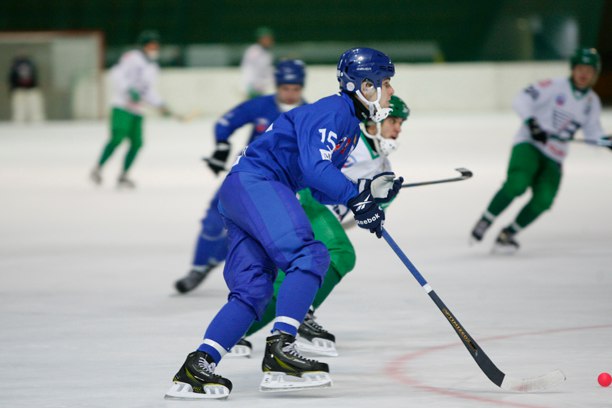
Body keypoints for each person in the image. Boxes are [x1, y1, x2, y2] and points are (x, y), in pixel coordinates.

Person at [165, 48, 402, 399]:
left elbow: (319, 189)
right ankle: (280, 352)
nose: (390, 91)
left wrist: (367, 191)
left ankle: (197, 366)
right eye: (385, 83)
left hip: (243, 189)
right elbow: (315, 170)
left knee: (254, 291)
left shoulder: (346, 126)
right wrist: (356, 196)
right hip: (258, 184)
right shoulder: (333, 112)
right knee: (310, 255)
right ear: (363, 85)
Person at [235, 95, 411, 358]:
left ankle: (235, 335)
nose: (398, 128)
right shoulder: (351, 140)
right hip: (305, 199)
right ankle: (301, 315)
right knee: (341, 252)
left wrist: (382, 198)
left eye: (401, 123)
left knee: (288, 278)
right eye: (394, 121)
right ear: (376, 120)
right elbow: (313, 167)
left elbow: (357, 217)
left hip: (322, 214)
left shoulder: (384, 167)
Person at [175, 59, 307, 294]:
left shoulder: (308, 114)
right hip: (244, 175)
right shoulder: (260, 106)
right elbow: (226, 122)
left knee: (260, 231)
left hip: (279, 184)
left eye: (295, 89)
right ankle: (198, 267)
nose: (290, 94)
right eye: (285, 88)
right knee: (214, 218)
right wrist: (222, 147)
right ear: (277, 86)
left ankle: (275, 278)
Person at [470, 47, 611, 252]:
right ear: (572, 69)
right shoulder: (554, 86)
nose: (583, 74)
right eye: (580, 68)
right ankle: (486, 220)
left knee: (544, 201)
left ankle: (507, 234)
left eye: (589, 70)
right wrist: (533, 124)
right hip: (529, 145)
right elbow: (522, 99)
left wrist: (605, 141)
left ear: (595, 74)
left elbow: (592, 134)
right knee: (517, 184)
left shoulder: (592, 102)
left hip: (555, 156)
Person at [90, 30, 171, 188]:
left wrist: (160, 104)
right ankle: (98, 169)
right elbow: (117, 74)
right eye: (151, 44)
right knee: (117, 137)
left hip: (137, 110)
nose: (154, 48)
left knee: (137, 143)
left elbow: (148, 91)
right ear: (144, 45)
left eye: (156, 45)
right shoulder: (132, 57)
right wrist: (128, 90)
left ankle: (124, 175)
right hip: (121, 106)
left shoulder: (153, 66)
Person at [8, 54, 45, 122]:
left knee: (35, 108)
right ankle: (18, 123)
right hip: (18, 89)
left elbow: (35, 76)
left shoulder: (31, 64)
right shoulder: (15, 65)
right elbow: (11, 77)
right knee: (19, 109)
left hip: (31, 89)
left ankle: (37, 123)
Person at [240, 26, 274, 99]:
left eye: (269, 39)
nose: (269, 41)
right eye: (266, 39)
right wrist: (249, 86)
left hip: (262, 87)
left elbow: (267, 70)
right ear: (260, 39)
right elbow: (249, 69)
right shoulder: (253, 51)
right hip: (253, 87)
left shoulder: (267, 53)